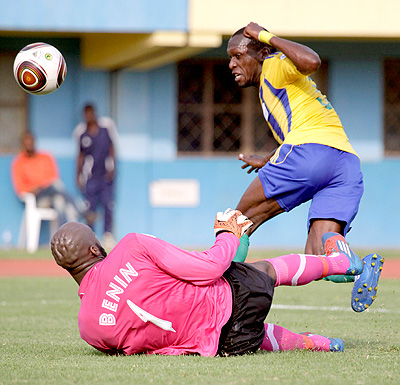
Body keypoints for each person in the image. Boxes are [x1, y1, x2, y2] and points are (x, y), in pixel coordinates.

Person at [50, 208, 375, 357]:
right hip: (236, 296)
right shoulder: (131, 246)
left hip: (223, 345)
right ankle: (339, 262)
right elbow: (207, 268)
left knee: (258, 336)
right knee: (266, 270)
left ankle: (314, 343)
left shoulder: (88, 328)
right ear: (95, 248)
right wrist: (226, 235)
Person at [227, 22, 364, 286]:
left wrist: (265, 36)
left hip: (308, 154)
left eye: (238, 56)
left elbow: (312, 61)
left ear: (261, 53)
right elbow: (309, 128)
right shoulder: (278, 88)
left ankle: (218, 285)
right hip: (345, 163)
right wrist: (267, 159)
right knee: (320, 258)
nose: (232, 64)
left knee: (237, 222)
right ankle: (354, 264)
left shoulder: (274, 65)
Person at [11, 131, 81, 226]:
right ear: (22, 144)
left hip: (51, 192)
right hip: (37, 198)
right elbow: (20, 189)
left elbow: (54, 177)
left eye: (30, 141)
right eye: (26, 142)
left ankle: (63, 235)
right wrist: (37, 188)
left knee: (59, 200)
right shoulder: (18, 163)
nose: (29, 144)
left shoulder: (46, 157)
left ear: (34, 141)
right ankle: (81, 210)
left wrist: (44, 185)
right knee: (56, 185)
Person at [75, 104, 117, 250]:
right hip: (90, 177)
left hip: (105, 176)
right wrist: (78, 175)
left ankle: (107, 234)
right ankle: (90, 236)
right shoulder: (82, 134)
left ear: (95, 113)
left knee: (107, 205)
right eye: (86, 114)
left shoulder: (106, 129)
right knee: (90, 207)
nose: (89, 116)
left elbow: (112, 149)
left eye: (90, 113)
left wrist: (113, 168)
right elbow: (80, 156)